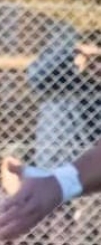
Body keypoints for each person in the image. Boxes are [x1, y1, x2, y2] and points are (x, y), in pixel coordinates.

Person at [26, 24, 101, 168]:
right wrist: (71, 46)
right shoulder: (59, 79)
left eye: (99, 60)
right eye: (92, 59)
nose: (96, 66)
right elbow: (34, 76)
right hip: (56, 164)